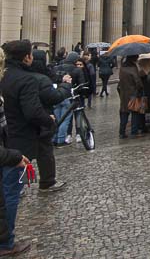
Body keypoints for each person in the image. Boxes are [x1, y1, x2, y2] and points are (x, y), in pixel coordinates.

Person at [1, 40, 71, 197]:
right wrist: (48, 120)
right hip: (24, 129)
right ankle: (21, 187)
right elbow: (32, 111)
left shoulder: (4, 75)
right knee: (22, 162)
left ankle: (22, 186)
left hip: (7, 128)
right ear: (26, 57)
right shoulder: (27, 79)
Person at [0, 47, 33, 256]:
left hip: (9, 145)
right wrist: (12, 156)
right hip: (11, 147)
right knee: (8, 195)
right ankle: (6, 242)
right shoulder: (26, 79)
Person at [117, 55, 144, 139]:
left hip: (124, 93)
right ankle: (134, 132)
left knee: (124, 112)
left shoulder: (122, 68)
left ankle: (122, 132)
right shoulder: (133, 68)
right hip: (133, 93)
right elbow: (138, 82)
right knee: (135, 113)